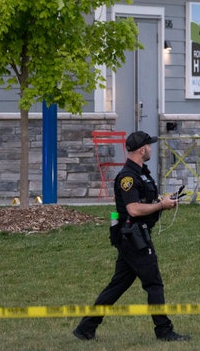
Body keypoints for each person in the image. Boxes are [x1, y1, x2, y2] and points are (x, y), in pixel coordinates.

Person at [73, 131, 190, 342]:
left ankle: (86, 328)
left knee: (118, 285)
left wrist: (164, 200)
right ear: (142, 149)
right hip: (134, 238)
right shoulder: (128, 177)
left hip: (135, 236)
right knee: (154, 283)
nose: (151, 149)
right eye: (149, 146)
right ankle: (164, 330)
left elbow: (145, 200)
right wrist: (160, 205)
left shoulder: (142, 173)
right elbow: (134, 209)